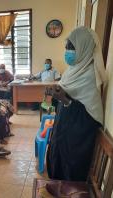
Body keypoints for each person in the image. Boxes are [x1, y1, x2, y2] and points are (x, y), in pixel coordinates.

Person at [46, 27, 106, 182]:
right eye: (67, 47)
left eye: (72, 48)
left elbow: (90, 119)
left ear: (84, 48)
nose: (68, 52)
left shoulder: (90, 77)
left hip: (75, 140)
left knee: (69, 173)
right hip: (62, 128)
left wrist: (65, 100)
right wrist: (55, 94)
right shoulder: (71, 71)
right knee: (56, 163)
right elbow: (64, 98)